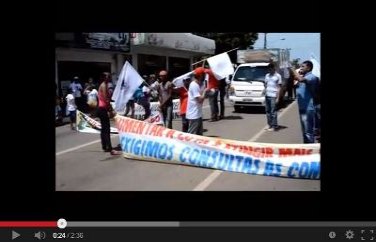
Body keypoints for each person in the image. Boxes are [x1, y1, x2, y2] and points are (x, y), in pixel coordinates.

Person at [293, 60, 320, 143]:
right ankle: (306, 148)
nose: (301, 68)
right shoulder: (304, 76)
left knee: (308, 131)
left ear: (308, 68)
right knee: (305, 131)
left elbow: (300, 79)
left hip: (308, 108)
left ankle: (310, 149)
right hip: (302, 107)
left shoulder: (311, 77)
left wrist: (292, 69)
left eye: (303, 66)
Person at [97, 72, 122, 155]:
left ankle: (104, 146)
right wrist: (110, 110)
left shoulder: (103, 85)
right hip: (103, 109)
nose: (109, 77)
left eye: (109, 76)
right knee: (106, 129)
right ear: (104, 78)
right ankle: (110, 149)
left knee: (104, 129)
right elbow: (106, 99)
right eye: (108, 76)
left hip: (101, 108)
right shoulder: (104, 85)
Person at [186, 67, 207, 135]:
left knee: (199, 135)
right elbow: (200, 100)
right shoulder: (194, 85)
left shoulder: (200, 84)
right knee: (192, 135)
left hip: (198, 113)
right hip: (194, 114)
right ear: (200, 75)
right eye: (203, 74)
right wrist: (205, 91)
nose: (205, 75)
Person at [264, 63, 282, 131]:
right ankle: (269, 125)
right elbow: (265, 84)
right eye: (268, 69)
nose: (269, 70)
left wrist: (277, 97)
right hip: (267, 95)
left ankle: (274, 126)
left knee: (273, 111)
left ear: (273, 68)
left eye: (270, 69)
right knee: (268, 111)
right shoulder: (267, 75)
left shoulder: (278, 76)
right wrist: (265, 92)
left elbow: (279, 87)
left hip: (273, 96)